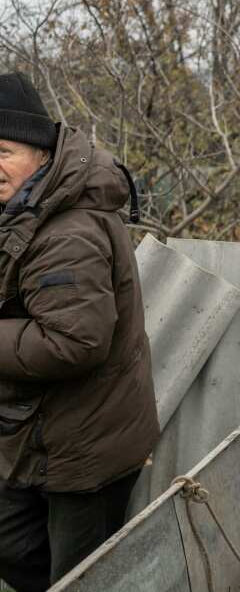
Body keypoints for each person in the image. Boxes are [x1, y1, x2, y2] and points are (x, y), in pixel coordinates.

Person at [0, 72, 158, 591]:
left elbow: (74, 341)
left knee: (78, 579)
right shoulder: (24, 209)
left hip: (84, 446)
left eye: (3, 150)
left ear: (42, 154)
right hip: (36, 430)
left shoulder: (67, 229)